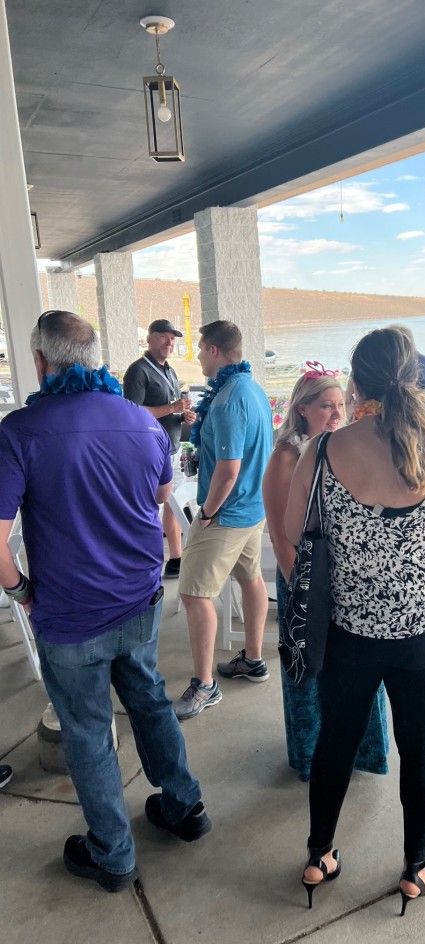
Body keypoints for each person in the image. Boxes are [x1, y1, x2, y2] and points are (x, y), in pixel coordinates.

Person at [0, 310, 210, 893]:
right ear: (97, 363)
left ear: (42, 361)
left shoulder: (20, 431)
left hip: (70, 614)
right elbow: (163, 496)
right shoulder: (141, 424)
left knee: (88, 729)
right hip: (139, 599)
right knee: (148, 700)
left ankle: (113, 853)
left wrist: (20, 590)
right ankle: (185, 806)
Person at [285, 327, 425, 914]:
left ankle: (320, 855)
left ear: (355, 384)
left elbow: (302, 537)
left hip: (350, 635)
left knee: (335, 742)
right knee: (423, 750)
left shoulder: (322, 452)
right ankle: (415, 868)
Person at [262, 365, 389, 782]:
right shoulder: (286, 458)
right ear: (302, 410)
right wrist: (303, 593)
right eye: (325, 406)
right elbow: (282, 536)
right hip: (305, 576)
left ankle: (362, 753)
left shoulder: (342, 447)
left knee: (354, 668)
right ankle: (313, 756)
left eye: (340, 405)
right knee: (310, 665)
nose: (336, 414)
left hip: (346, 575)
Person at [175, 320, 273, 720]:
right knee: (250, 579)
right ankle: (253, 658)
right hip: (253, 507)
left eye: (200, 349)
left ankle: (205, 685)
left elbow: (229, 469)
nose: (198, 356)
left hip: (228, 513)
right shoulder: (252, 388)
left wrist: (209, 513)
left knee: (195, 595)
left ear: (215, 351)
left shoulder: (230, 398)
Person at [123, 318, 197, 579]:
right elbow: (130, 413)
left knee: (173, 504)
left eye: (173, 338)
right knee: (149, 506)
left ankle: (175, 558)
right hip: (149, 450)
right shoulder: (138, 371)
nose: (170, 342)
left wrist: (183, 415)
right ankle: (147, 560)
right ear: (150, 338)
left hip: (172, 447)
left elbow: (173, 407)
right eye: (164, 336)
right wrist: (172, 408)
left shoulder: (170, 370)